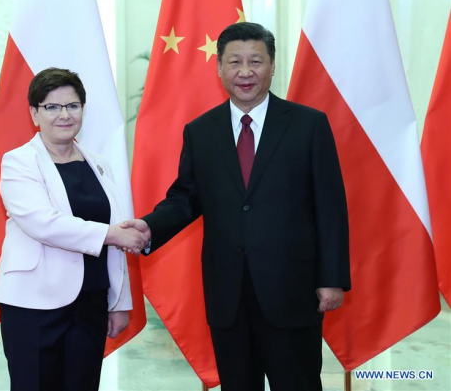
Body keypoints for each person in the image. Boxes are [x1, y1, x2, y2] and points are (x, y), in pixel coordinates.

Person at [123, 22, 351, 391]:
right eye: (235, 62)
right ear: (219, 68)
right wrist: (150, 227)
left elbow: (331, 206)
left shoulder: (308, 125)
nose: (245, 72)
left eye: (256, 61)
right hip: (228, 292)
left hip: (292, 290)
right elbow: (186, 197)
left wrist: (332, 278)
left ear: (272, 66)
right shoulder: (201, 131)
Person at [0, 67, 148, 391]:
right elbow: (43, 222)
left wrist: (119, 303)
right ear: (34, 113)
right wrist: (111, 234)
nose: (64, 115)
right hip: (33, 305)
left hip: (90, 302)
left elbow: (116, 232)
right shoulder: (18, 161)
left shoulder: (99, 163)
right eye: (52, 107)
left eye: (72, 106)